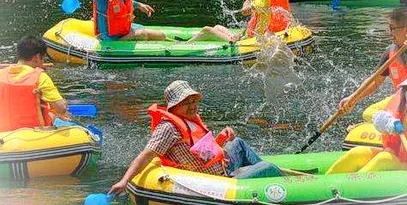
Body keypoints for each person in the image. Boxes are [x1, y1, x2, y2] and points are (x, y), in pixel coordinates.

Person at [109, 80, 285, 194]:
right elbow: (147, 154)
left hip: (222, 169)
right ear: (174, 106)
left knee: (237, 143)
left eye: (194, 101)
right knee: (268, 167)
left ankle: (256, 181)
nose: (193, 106)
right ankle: (282, 185)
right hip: (218, 183)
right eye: (187, 102)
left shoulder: (189, 120)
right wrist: (124, 181)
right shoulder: (168, 128)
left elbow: (203, 153)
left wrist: (222, 139)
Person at [326, 66, 407, 200]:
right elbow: (368, 112)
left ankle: (347, 190)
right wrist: (385, 120)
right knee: (357, 153)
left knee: (384, 159)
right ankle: (323, 184)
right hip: (399, 157)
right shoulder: (399, 99)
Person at [340, 7, 407, 122]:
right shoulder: (391, 51)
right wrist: (353, 98)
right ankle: (396, 125)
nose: (390, 33)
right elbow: (375, 81)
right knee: (368, 114)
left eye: (392, 28)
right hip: (405, 103)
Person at [0, 36, 69, 132]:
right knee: (54, 111)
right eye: (43, 58)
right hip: (33, 134)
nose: (43, 62)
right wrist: (57, 108)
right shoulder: (40, 77)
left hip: (3, 133)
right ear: (37, 57)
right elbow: (61, 109)